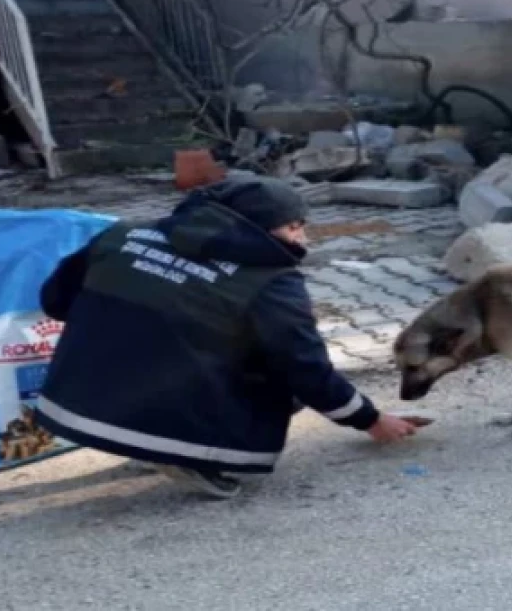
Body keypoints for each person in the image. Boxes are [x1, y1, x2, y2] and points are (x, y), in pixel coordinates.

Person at [35, 176, 421, 499]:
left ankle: (146, 434)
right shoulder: (271, 282)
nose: (303, 238)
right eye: (293, 226)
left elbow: (54, 301)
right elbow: (306, 368)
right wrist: (370, 420)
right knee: (281, 374)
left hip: (72, 401)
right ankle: (192, 455)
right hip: (147, 410)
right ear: (254, 227)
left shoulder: (123, 234)